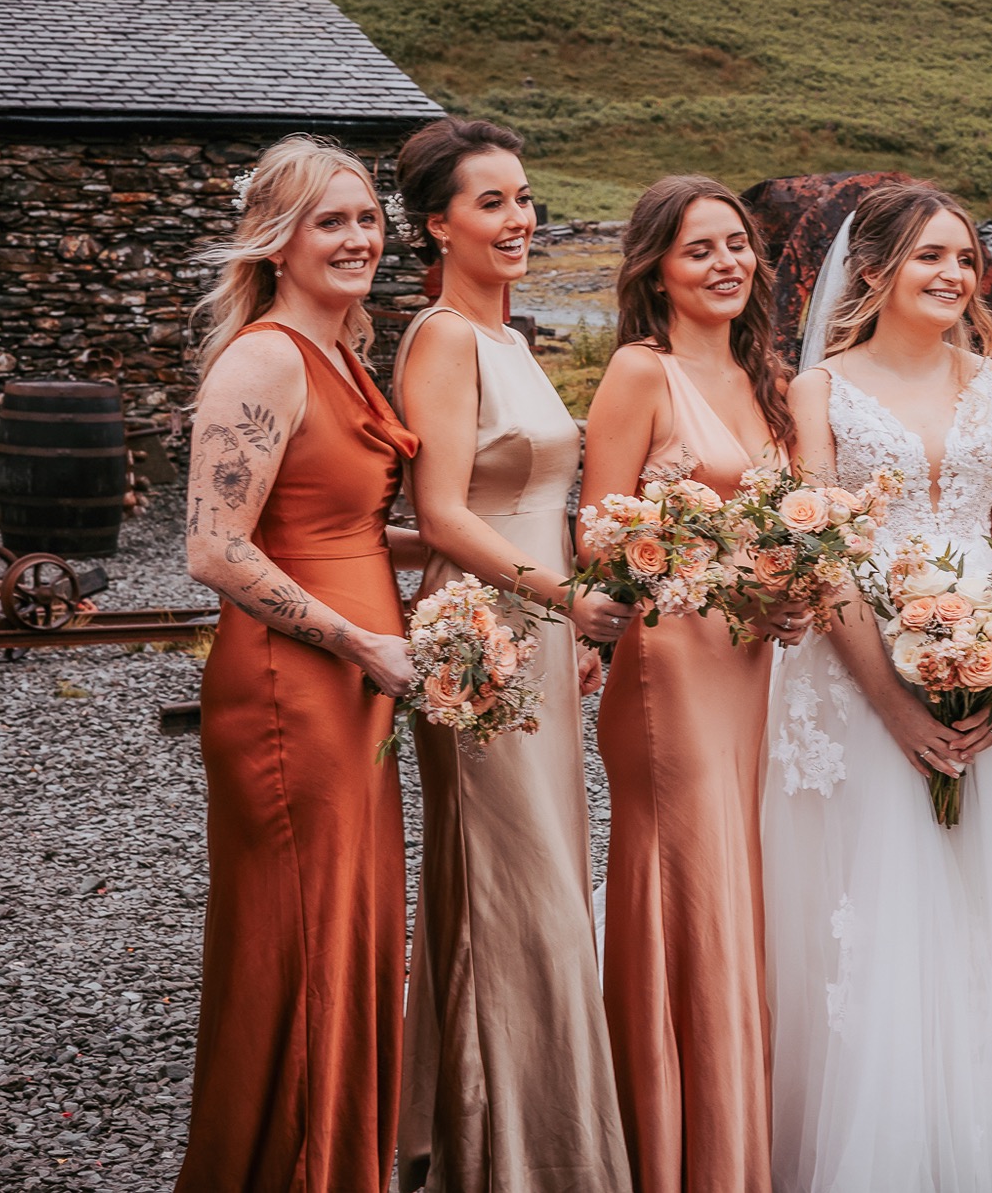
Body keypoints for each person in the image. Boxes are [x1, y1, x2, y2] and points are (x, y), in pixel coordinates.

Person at [764, 181, 992, 1192]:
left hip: (991, 671)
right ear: (872, 269)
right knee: (877, 908)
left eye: (964, 258)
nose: (951, 276)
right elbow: (825, 550)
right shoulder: (820, 390)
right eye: (928, 256)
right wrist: (889, 697)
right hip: (856, 680)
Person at [389, 118, 633, 1192]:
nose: (518, 217)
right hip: (482, 635)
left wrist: (572, 618)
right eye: (490, 202)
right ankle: (527, 1158)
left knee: (543, 879)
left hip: (537, 630)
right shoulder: (440, 336)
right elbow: (438, 513)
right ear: (436, 223)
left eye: (523, 197)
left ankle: (491, 1130)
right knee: (515, 887)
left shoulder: (515, 339)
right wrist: (563, 602)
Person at [179, 135, 422, 1193]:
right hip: (294, 684)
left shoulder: (343, 349)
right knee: (306, 933)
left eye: (367, 218)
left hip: (359, 686)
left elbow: (349, 523)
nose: (358, 237)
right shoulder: (267, 356)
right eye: (332, 221)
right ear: (277, 240)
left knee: (352, 924)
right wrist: (357, 638)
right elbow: (214, 547)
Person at [581, 175, 805, 1193]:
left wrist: (792, 592)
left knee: (737, 891)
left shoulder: (766, 377)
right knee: (684, 893)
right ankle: (669, 1156)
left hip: (750, 662)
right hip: (667, 663)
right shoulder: (642, 370)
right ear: (657, 270)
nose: (725, 264)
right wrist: (686, 557)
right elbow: (597, 530)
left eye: (736, 246)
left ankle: (730, 1144)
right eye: (698, 249)